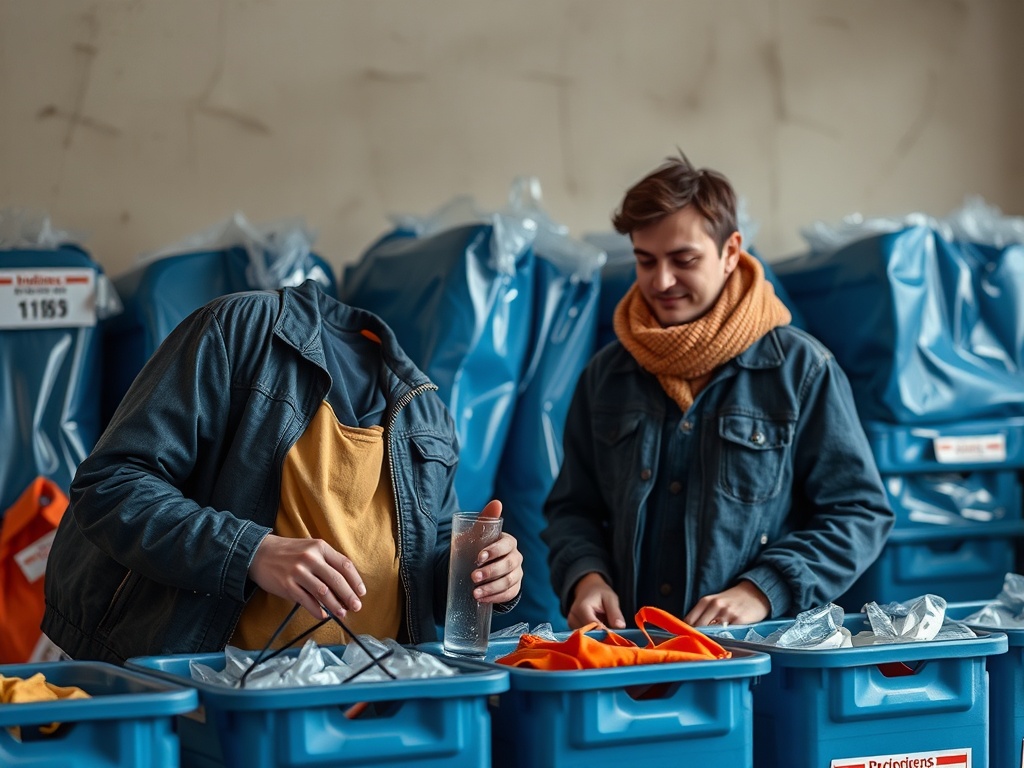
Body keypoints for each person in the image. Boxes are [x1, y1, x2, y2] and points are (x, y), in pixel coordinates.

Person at [42, 280, 523, 664]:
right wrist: (250, 551)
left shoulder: (428, 413)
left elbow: (430, 562)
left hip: (372, 705)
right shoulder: (239, 331)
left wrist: (485, 573)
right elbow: (110, 485)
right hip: (214, 704)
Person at [542, 152, 893, 631]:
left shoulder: (802, 371)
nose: (661, 281)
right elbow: (573, 509)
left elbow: (859, 513)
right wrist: (586, 578)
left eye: (683, 260)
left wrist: (763, 590)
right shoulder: (606, 375)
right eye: (646, 261)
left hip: (757, 661)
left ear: (731, 251)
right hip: (629, 658)